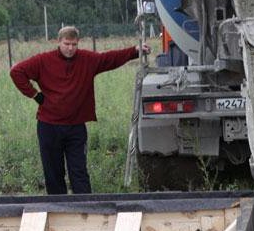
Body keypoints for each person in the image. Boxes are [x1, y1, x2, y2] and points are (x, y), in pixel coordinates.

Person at [10, 26, 150, 195]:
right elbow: (17, 72)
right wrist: (35, 95)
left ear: (78, 43)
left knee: (79, 172)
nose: (70, 48)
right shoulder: (43, 61)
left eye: (74, 44)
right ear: (58, 42)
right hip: (49, 126)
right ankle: (58, 211)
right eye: (66, 44)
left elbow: (109, 58)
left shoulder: (87, 60)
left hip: (76, 127)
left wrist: (135, 51)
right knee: (53, 173)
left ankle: (85, 210)